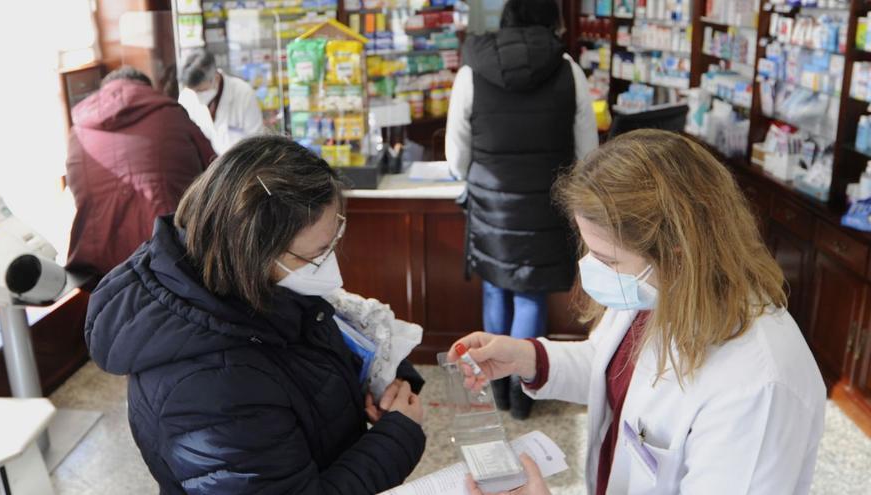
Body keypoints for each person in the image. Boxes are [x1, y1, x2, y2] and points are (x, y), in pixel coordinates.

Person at [452, 130, 826, 494]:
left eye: (606, 259)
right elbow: (611, 367)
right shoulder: (656, 289)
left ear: (677, 251)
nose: (590, 267)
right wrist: (528, 357)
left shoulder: (758, 388)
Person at [84, 135, 426, 494]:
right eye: (317, 255)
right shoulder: (209, 389)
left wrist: (383, 380)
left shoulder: (255, 286)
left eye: (333, 242)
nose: (332, 269)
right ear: (254, 255)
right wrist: (399, 435)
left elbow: (314, 344)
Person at [444, 0, 599, 419]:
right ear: (552, 21)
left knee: (496, 288)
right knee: (530, 295)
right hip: (546, 205)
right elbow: (588, 153)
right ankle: (522, 392)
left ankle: (496, 385)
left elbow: (456, 155)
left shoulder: (471, 70)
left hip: (492, 204)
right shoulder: (569, 69)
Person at [66, 66, 215, 279]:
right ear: (145, 88)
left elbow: (76, 189)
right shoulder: (170, 114)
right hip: (171, 255)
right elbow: (215, 170)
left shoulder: (78, 132)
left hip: (100, 265)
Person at [178, 50, 264, 154]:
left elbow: (257, 143)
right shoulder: (186, 97)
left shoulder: (243, 93)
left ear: (215, 77)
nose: (197, 96)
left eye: (200, 90)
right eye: (193, 91)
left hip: (238, 167)